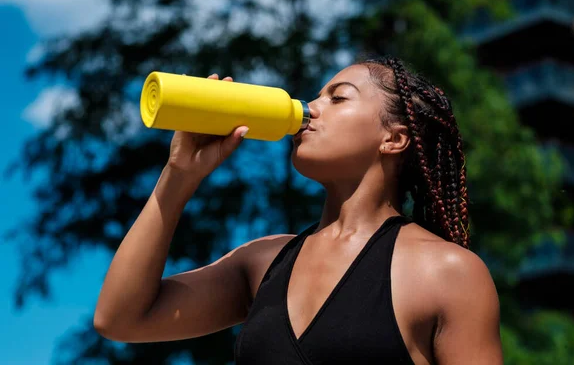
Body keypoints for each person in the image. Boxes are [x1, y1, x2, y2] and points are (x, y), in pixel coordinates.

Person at [94, 56, 503, 364]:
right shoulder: (263, 262)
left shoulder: (447, 272)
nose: (311, 107)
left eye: (338, 97)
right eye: (316, 95)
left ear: (393, 139)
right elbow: (121, 319)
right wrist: (178, 176)